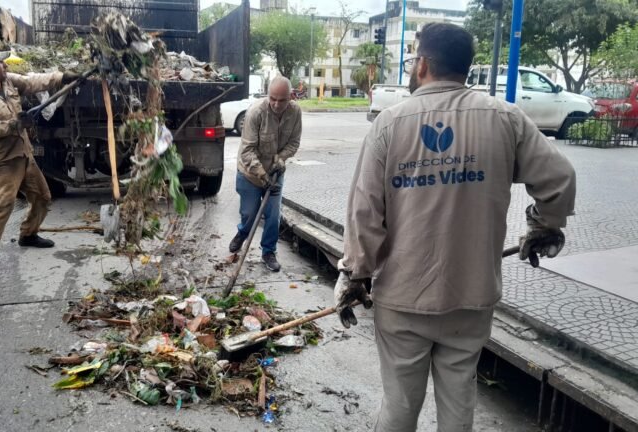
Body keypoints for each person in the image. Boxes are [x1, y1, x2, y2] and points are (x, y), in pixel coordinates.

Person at [334, 23, 576, 431]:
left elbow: (364, 213)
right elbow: (560, 179)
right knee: (459, 402)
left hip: (403, 297)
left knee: (399, 406)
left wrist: (355, 275)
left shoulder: (390, 124)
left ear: (423, 64)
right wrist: (544, 227)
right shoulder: (504, 119)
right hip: (472, 294)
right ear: (465, 68)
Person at [0, 46, 80, 281]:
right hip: (3, 161)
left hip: (24, 154)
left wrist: (62, 77)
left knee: (43, 196)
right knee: (3, 206)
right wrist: (14, 125)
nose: (5, 66)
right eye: (0, 63)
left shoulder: (8, 81)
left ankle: (28, 234)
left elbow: (33, 81)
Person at [230, 76, 302, 272]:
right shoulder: (256, 112)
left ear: (291, 97)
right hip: (250, 173)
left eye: (282, 99)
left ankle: (268, 252)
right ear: (268, 95)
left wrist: (281, 159)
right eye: (273, 98)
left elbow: (293, 143)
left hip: (275, 173)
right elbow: (247, 150)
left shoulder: (295, 113)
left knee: (273, 215)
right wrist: (262, 174)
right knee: (250, 213)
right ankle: (243, 233)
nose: (277, 104)